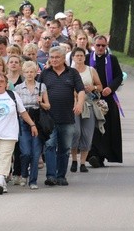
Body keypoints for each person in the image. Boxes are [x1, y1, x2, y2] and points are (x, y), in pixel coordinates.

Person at [0, 72, 37, 195]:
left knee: (4, 156)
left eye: (1, 81)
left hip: (9, 132)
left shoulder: (12, 95)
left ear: (6, 83)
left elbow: (23, 112)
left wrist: (32, 124)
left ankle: (0, 180)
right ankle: (2, 181)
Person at [39, 46, 85, 186]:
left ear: (64, 58)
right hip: (49, 117)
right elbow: (38, 91)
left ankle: (61, 176)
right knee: (50, 146)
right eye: (51, 57)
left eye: (57, 57)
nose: (53, 60)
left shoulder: (72, 73)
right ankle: (51, 176)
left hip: (67, 117)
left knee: (64, 148)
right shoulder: (45, 74)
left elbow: (81, 90)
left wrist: (79, 104)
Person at [87, 35, 124, 168]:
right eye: (98, 45)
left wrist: (111, 87)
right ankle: (93, 154)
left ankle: (103, 154)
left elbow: (119, 76)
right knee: (93, 127)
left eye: (103, 45)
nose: (101, 48)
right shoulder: (87, 59)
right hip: (91, 97)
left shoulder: (112, 59)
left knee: (107, 127)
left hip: (108, 97)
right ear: (93, 45)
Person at [15, 61, 50, 190]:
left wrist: (41, 102)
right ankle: (24, 173)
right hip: (24, 121)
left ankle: (33, 180)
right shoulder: (18, 88)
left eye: (32, 72)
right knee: (25, 152)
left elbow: (48, 105)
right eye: (27, 72)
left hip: (38, 121)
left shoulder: (42, 86)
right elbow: (16, 108)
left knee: (36, 153)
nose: (29, 74)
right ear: (23, 73)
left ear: (36, 73)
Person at [70, 47, 103, 173]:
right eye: (77, 55)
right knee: (75, 132)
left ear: (85, 57)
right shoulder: (70, 71)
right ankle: (73, 159)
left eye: (81, 55)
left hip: (89, 105)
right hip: (74, 104)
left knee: (87, 134)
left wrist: (93, 87)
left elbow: (100, 86)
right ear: (72, 57)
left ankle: (82, 162)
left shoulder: (91, 70)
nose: (79, 58)